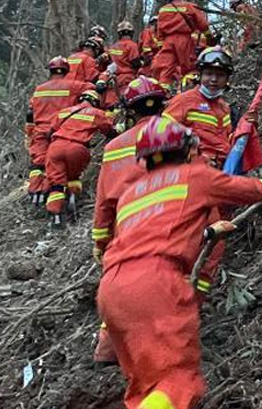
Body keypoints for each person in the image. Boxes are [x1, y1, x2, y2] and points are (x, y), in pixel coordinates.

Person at [96, 120, 262, 409]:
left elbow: (151, 234)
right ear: (189, 149)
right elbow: (248, 189)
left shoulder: (130, 194)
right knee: (177, 382)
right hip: (156, 283)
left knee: (145, 386)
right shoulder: (193, 175)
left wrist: (209, 233)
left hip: (111, 290)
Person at [92, 76, 170, 365]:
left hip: (125, 231)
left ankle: (107, 350)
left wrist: (101, 243)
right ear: (162, 106)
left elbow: (103, 205)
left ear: (130, 111)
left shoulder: (113, 149)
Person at [26, 57, 95, 206]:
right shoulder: (74, 86)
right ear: (66, 70)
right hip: (60, 133)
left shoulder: (39, 89)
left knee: (38, 164)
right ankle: (62, 199)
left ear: (50, 71)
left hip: (39, 131)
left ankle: (36, 194)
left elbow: (30, 112)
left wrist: (30, 132)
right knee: (59, 167)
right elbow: (92, 90)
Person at [45, 89, 115, 225]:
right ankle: (73, 205)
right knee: (73, 178)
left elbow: (51, 131)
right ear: (95, 102)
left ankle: (55, 217)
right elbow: (108, 131)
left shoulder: (65, 111)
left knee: (56, 184)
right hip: (78, 148)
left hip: (56, 147)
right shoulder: (97, 113)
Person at [162, 47, 236, 167]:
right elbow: (162, 134)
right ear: (200, 75)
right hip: (192, 170)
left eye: (220, 75)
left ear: (227, 79)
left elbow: (226, 141)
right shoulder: (184, 101)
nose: (213, 80)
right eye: (208, 74)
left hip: (221, 170)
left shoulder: (225, 108)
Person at [151, 0, 210, 90]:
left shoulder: (163, 10)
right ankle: (190, 89)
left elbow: (159, 30)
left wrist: (161, 45)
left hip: (168, 41)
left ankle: (164, 93)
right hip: (184, 39)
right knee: (189, 66)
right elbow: (203, 24)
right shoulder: (190, 6)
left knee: (166, 68)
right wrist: (209, 37)